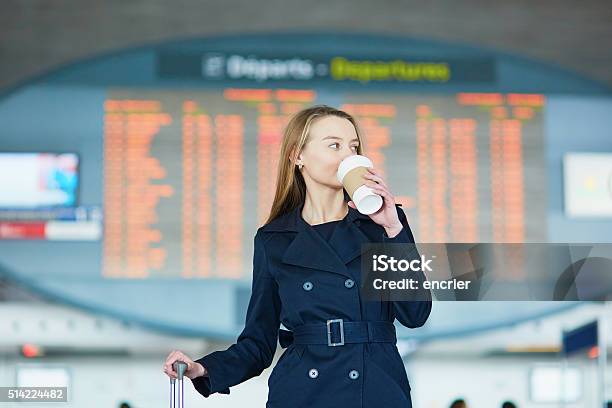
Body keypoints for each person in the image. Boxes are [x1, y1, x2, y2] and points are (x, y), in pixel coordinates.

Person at [163, 105, 432, 407]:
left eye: (354, 147)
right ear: (298, 156)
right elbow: (258, 343)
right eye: (334, 145)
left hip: (376, 389)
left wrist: (393, 228)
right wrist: (203, 368)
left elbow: (415, 314)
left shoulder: (383, 225)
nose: (349, 155)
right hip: (303, 391)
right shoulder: (273, 240)